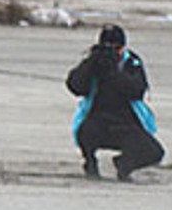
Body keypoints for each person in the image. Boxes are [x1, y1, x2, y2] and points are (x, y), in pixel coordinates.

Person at [66, 24, 164, 181]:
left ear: (123, 48)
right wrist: (91, 65)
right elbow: (75, 87)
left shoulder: (132, 63)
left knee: (154, 152)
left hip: (126, 124)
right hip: (96, 121)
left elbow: (137, 91)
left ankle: (124, 165)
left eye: (115, 48)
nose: (111, 52)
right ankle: (90, 163)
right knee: (85, 133)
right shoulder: (93, 61)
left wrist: (114, 73)